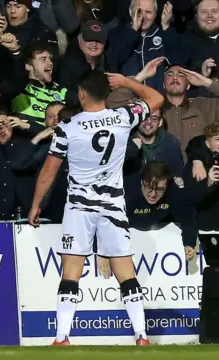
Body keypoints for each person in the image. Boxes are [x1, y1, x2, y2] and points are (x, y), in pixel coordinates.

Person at [28, 70, 164, 346]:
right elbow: (157, 98)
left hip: (80, 207)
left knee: (71, 272)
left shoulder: (68, 127)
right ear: (108, 92)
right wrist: (126, 82)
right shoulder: (124, 116)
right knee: (126, 272)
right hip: (113, 206)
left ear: (81, 93)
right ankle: (141, 335)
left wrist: (35, 204)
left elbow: (49, 171)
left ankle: (62, 337)